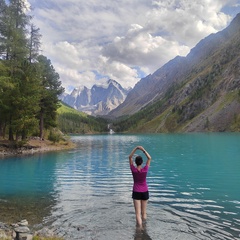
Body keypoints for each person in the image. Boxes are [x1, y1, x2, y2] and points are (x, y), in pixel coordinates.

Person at [129, 146, 151, 228]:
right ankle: (144, 228)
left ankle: (139, 229)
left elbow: (129, 157)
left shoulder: (133, 170)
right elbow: (149, 158)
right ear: (142, 162)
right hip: (145, 191)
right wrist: (143, 150)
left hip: (136, 192)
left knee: (137, 213)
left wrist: (136, 148)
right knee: (144, 212)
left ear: (135, 162)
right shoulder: (145, 169)